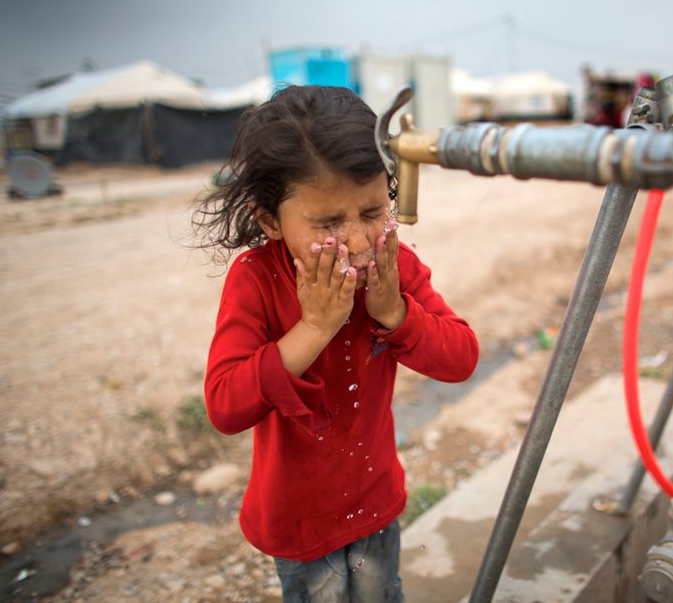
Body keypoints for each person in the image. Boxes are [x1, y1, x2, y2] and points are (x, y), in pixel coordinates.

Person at [192, 85, 480, 602]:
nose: (357, 240)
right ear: (269, 221)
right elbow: (225, 405)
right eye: (327, 223)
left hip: (375, 497)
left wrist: (395, 312)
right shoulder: (256, 279)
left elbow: (461, 358)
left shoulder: (393, 269)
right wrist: (315, 327)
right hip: (298, 519)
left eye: (372, 212)